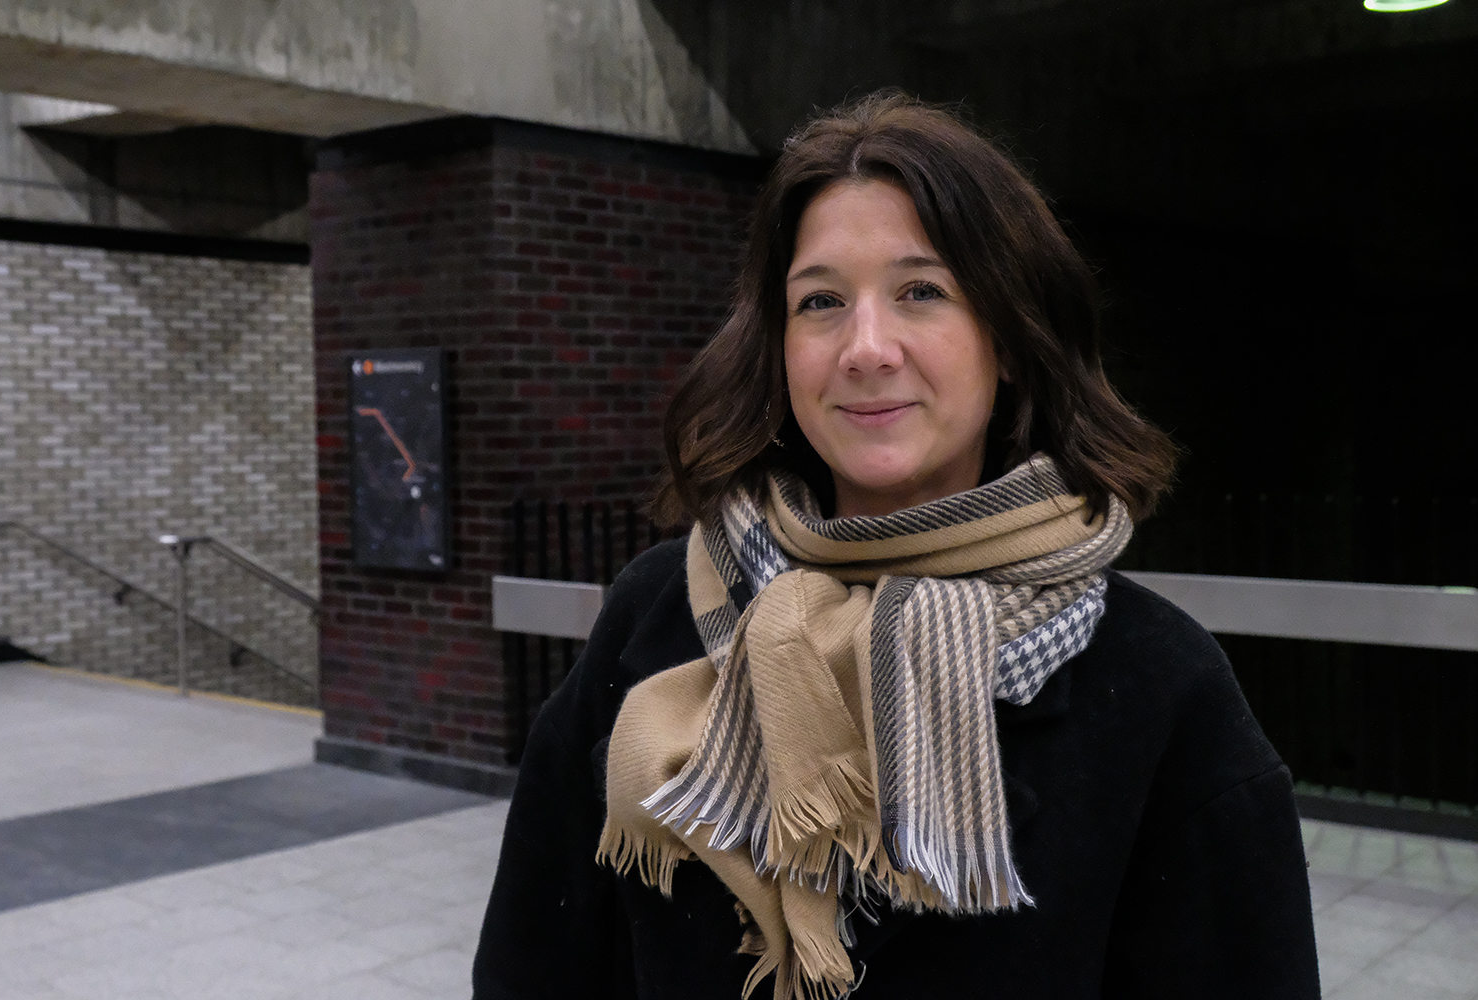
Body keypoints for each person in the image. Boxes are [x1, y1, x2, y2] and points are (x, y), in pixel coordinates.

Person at [472, 92, 1319, 1000]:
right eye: (821, 301)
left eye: (922, 291)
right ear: (778, 346)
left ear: (1010, 338)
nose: (866, 347)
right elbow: (535, 965)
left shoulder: (1161, 687)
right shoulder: (656, 611)